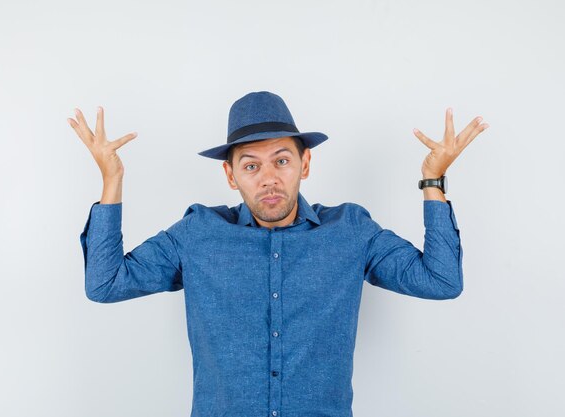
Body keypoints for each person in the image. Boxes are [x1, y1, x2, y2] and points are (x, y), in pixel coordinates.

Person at [68, 91, 489, 417]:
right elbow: (105, 284)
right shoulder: (197, 234)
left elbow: (441, 280)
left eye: (282, 160)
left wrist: (433, 179)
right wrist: (112, 180)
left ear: (305, 164)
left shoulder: (351, 232)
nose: (269, 178)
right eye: (251, 165)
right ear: (231, 175)